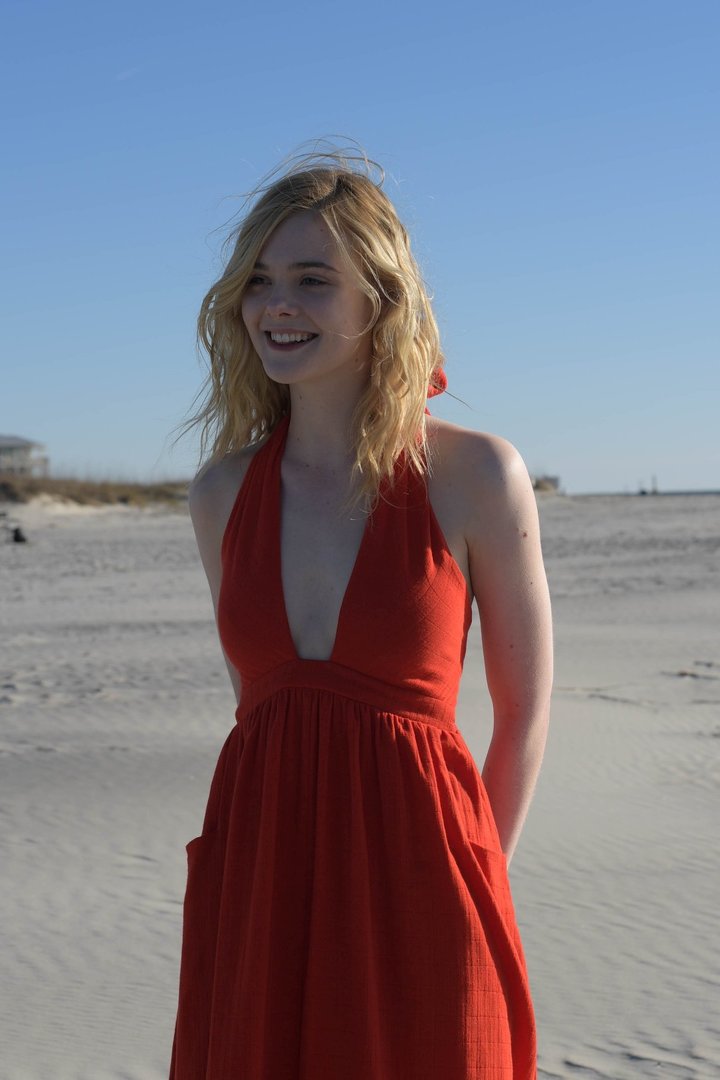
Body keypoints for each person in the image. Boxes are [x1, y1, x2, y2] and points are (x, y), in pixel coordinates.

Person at [169, 146, 553, 1080]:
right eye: (259, 280)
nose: (277, 304)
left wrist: (479, 875)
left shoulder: (475, 474)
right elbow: (261, 711)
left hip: (429, 879)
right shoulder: (221, 493)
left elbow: (523, 713)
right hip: (264, 884)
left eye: (312, 279)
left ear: (381, 298)